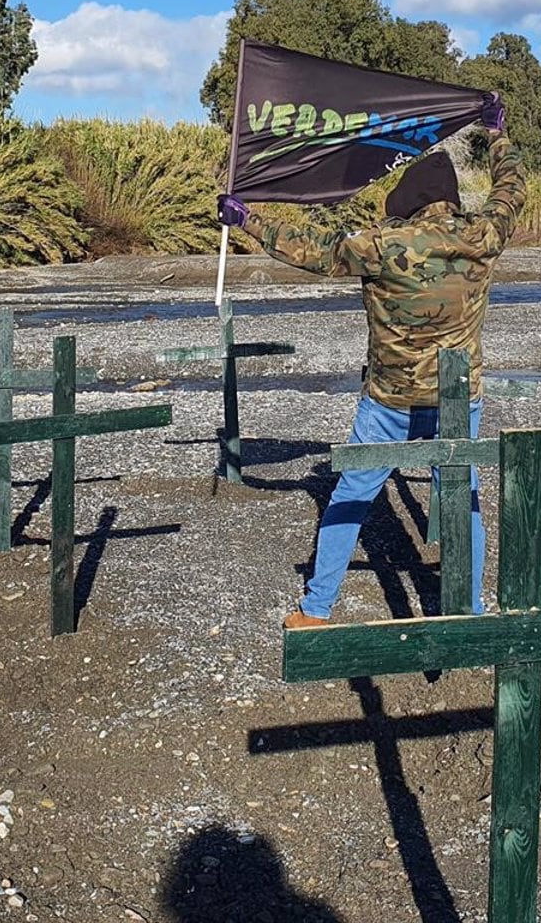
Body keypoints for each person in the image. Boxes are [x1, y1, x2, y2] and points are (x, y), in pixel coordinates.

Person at [217, 93, 521, 626]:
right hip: (459, 397)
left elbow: (311, 248)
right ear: (448, 200)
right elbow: (510, 191)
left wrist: (249, 221)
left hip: (390, 400)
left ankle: (316, 608)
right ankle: (469, 610)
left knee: (353, 491)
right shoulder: (483, 236)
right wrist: (497, 135)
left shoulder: (381, 245)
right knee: (462, 494)